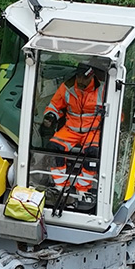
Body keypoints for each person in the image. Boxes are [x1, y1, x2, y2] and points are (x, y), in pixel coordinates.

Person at [39, 62, 104, 202]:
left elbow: (118, 114)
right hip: (70, 129)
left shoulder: (103, 89)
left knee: (93, 152)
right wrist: (50, 116)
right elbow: (54, 106)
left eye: (84, 78)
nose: (80, 80)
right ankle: (61, 186)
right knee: (53, 147)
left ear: (91, 76)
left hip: (93, 131)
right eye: (78, 76)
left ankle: (83, 190)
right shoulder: (67, 87)